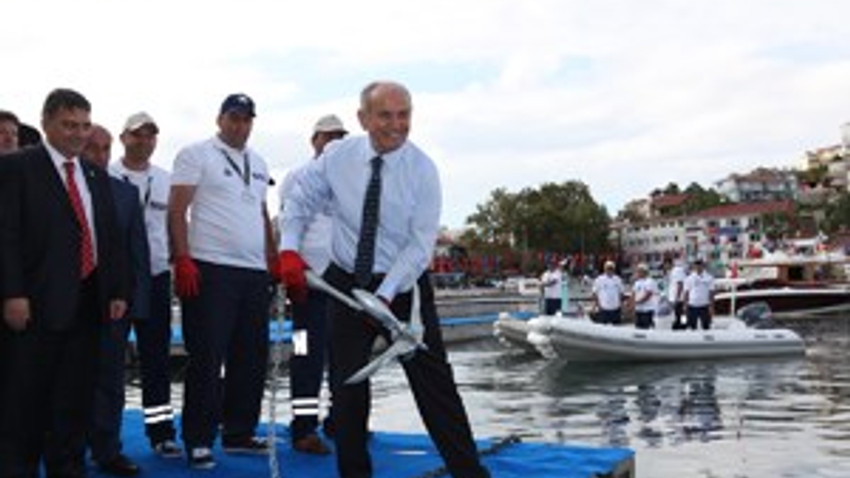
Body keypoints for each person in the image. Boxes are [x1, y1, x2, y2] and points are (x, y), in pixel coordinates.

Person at [277, 81, 490, 478]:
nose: (396, 125)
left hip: (403, 286)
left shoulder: (423, 170)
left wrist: (386, 296)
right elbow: (301, 199)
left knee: (435, 385)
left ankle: (469, 474)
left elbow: (418, 245)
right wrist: (289, 247)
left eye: (404, 115)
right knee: (347, 389)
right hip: (343, 281)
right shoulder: (338, 157)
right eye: (385, 116)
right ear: (363, 119)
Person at [0, 88, 129, 478]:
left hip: (88, 307)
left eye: (85, 126)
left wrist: (118, 290)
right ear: (46, 123)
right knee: (24, 403)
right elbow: (5, 235)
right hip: (35, 307)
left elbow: (109, 237)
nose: (78, 134)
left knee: (74, 401)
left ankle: (68, 467)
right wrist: (12, 293)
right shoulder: (17, 168)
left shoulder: (94, 175)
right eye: (69, 125)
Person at [169, 93, 275, 469]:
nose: (239, 125)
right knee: (207, 356)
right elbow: (178, 209)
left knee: (251, 356)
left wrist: (272, 260)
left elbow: (262, 214)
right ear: (219, 119)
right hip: (211, 267)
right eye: (233, 118)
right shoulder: (196, 154)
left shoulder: (259, 162)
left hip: (252, 272)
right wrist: (182, 258)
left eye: (246, 119)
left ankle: (238, 432)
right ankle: (198, 438)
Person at [110, 112, 181, 458]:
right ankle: (106, 436)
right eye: (137, 135)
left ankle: (162, 432)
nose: (144, 141)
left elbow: (173, 223)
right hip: (116, 281)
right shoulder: (107, 174)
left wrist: (179, 261)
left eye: (150, 135)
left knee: (157, 358)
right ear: (123, 138)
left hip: (155, 277)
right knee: (108, 360)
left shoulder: (166, 179)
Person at [82, 124, 150, 477]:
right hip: (66, 304)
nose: (100, 156)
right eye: (93, 148)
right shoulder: (59, 189)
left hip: (113, 305)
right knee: (66, 380)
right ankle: (65, 448)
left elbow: (135, 251)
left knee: (110, 380)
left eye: (106, 149)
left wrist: (135, 302)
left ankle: (107, 449)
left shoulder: (125, 194)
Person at [280, 114, 348, 455]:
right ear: (314, 141)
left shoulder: (352, 179)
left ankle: (342, 420)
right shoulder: (297, 177)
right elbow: (290, 223)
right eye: (327, 136)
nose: (333, 142)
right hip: (307, 287)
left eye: (340, 136)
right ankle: (303, 428)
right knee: (305, 354)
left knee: (346, 356)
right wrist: (291, 268)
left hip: (344, 287)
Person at [682, 258, 715, 330]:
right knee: (692, 326)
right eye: (696, 265)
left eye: (699, 265)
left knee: (706, 326)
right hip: (692, 305)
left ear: (703, 266)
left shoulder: (709, 277)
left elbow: (711, 292)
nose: (698, 267)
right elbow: (686, 292)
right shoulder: (689, 278)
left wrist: (711, 306)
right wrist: (685, 305)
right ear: (694, 266)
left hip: (704, 305)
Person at [663, 255, 688, 330]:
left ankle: (683, 326)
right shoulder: (670, 272)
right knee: (676, 315)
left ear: (669, 263)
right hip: (673, 298)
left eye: (665, 265)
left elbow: (680, 284)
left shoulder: (677, 270)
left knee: (681, 314)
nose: (665, 267)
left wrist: (677, 297)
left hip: (679, 298)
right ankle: (678, 325)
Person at [631, 263, 659, 329]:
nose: (638, 273)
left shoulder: (650, 281)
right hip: (639, 309)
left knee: (647, 327)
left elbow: (648, 294)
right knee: (638, 327)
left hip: (647, 309)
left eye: (639, 271)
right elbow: (633, 293)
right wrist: (632, 304)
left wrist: (638, 301)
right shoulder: (637, 282)